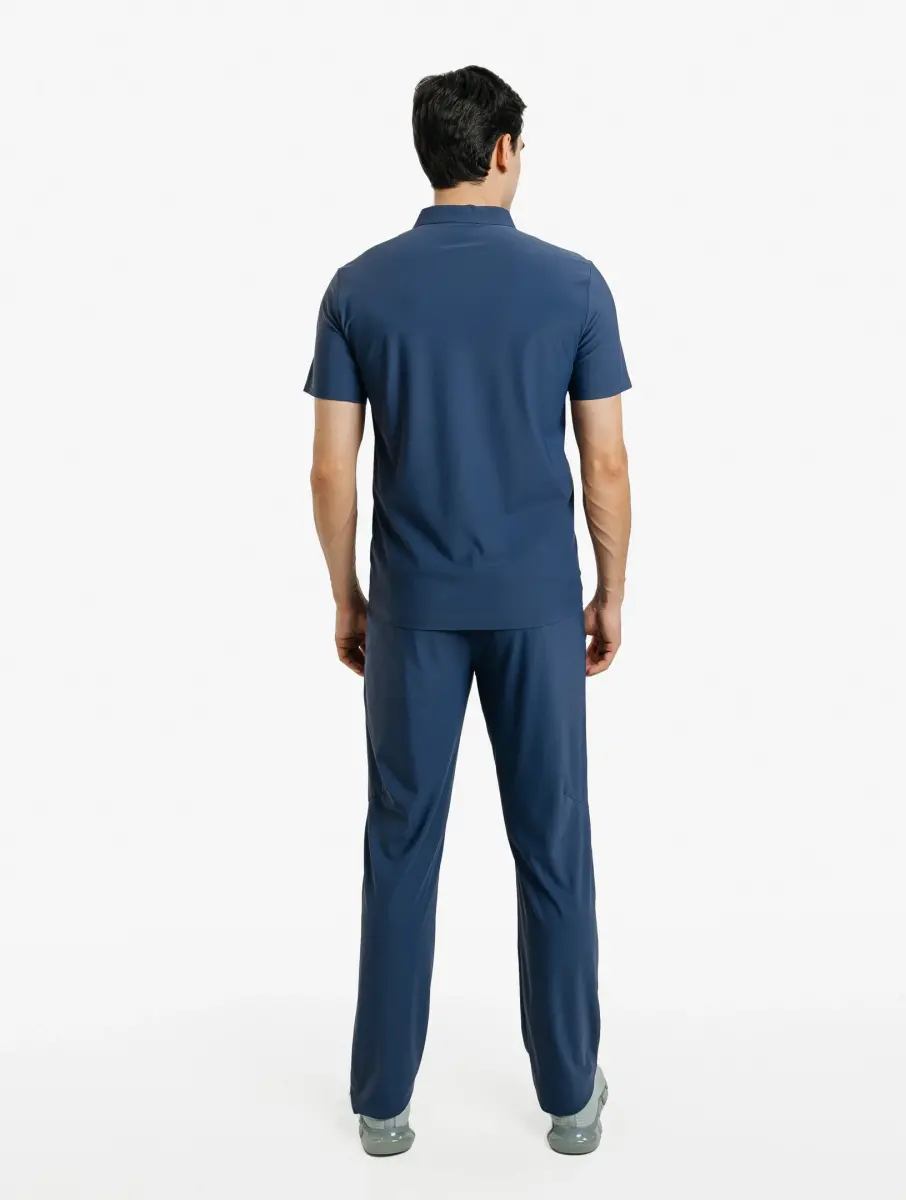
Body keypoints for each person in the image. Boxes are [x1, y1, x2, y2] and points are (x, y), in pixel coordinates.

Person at [304, 65, 631, 1156]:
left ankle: (382, 1102)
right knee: (553, 843)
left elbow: (331, 472)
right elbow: (606, 465)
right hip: (537, 607)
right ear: (501, 151)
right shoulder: (574, 285)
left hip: (413, 608)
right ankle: (571, 1099)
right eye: (521, 147)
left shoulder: (357, 288)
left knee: (400, 843)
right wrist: (610, 590)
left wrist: (347, 594)